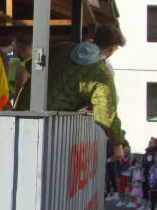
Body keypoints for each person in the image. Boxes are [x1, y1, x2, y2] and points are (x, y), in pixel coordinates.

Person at [46, 24, 126, 158]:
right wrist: (118, 145)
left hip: (25, 107)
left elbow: (33, 66)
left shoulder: (62, 48)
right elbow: (105, 114)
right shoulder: (102, 75)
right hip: (52, 126)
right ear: (112, 48)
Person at [10, 33, 33, 111]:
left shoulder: (23, 68)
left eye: (13, 45)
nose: (12, 48)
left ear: (18, 46)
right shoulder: (40, 66)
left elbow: (19, 98)